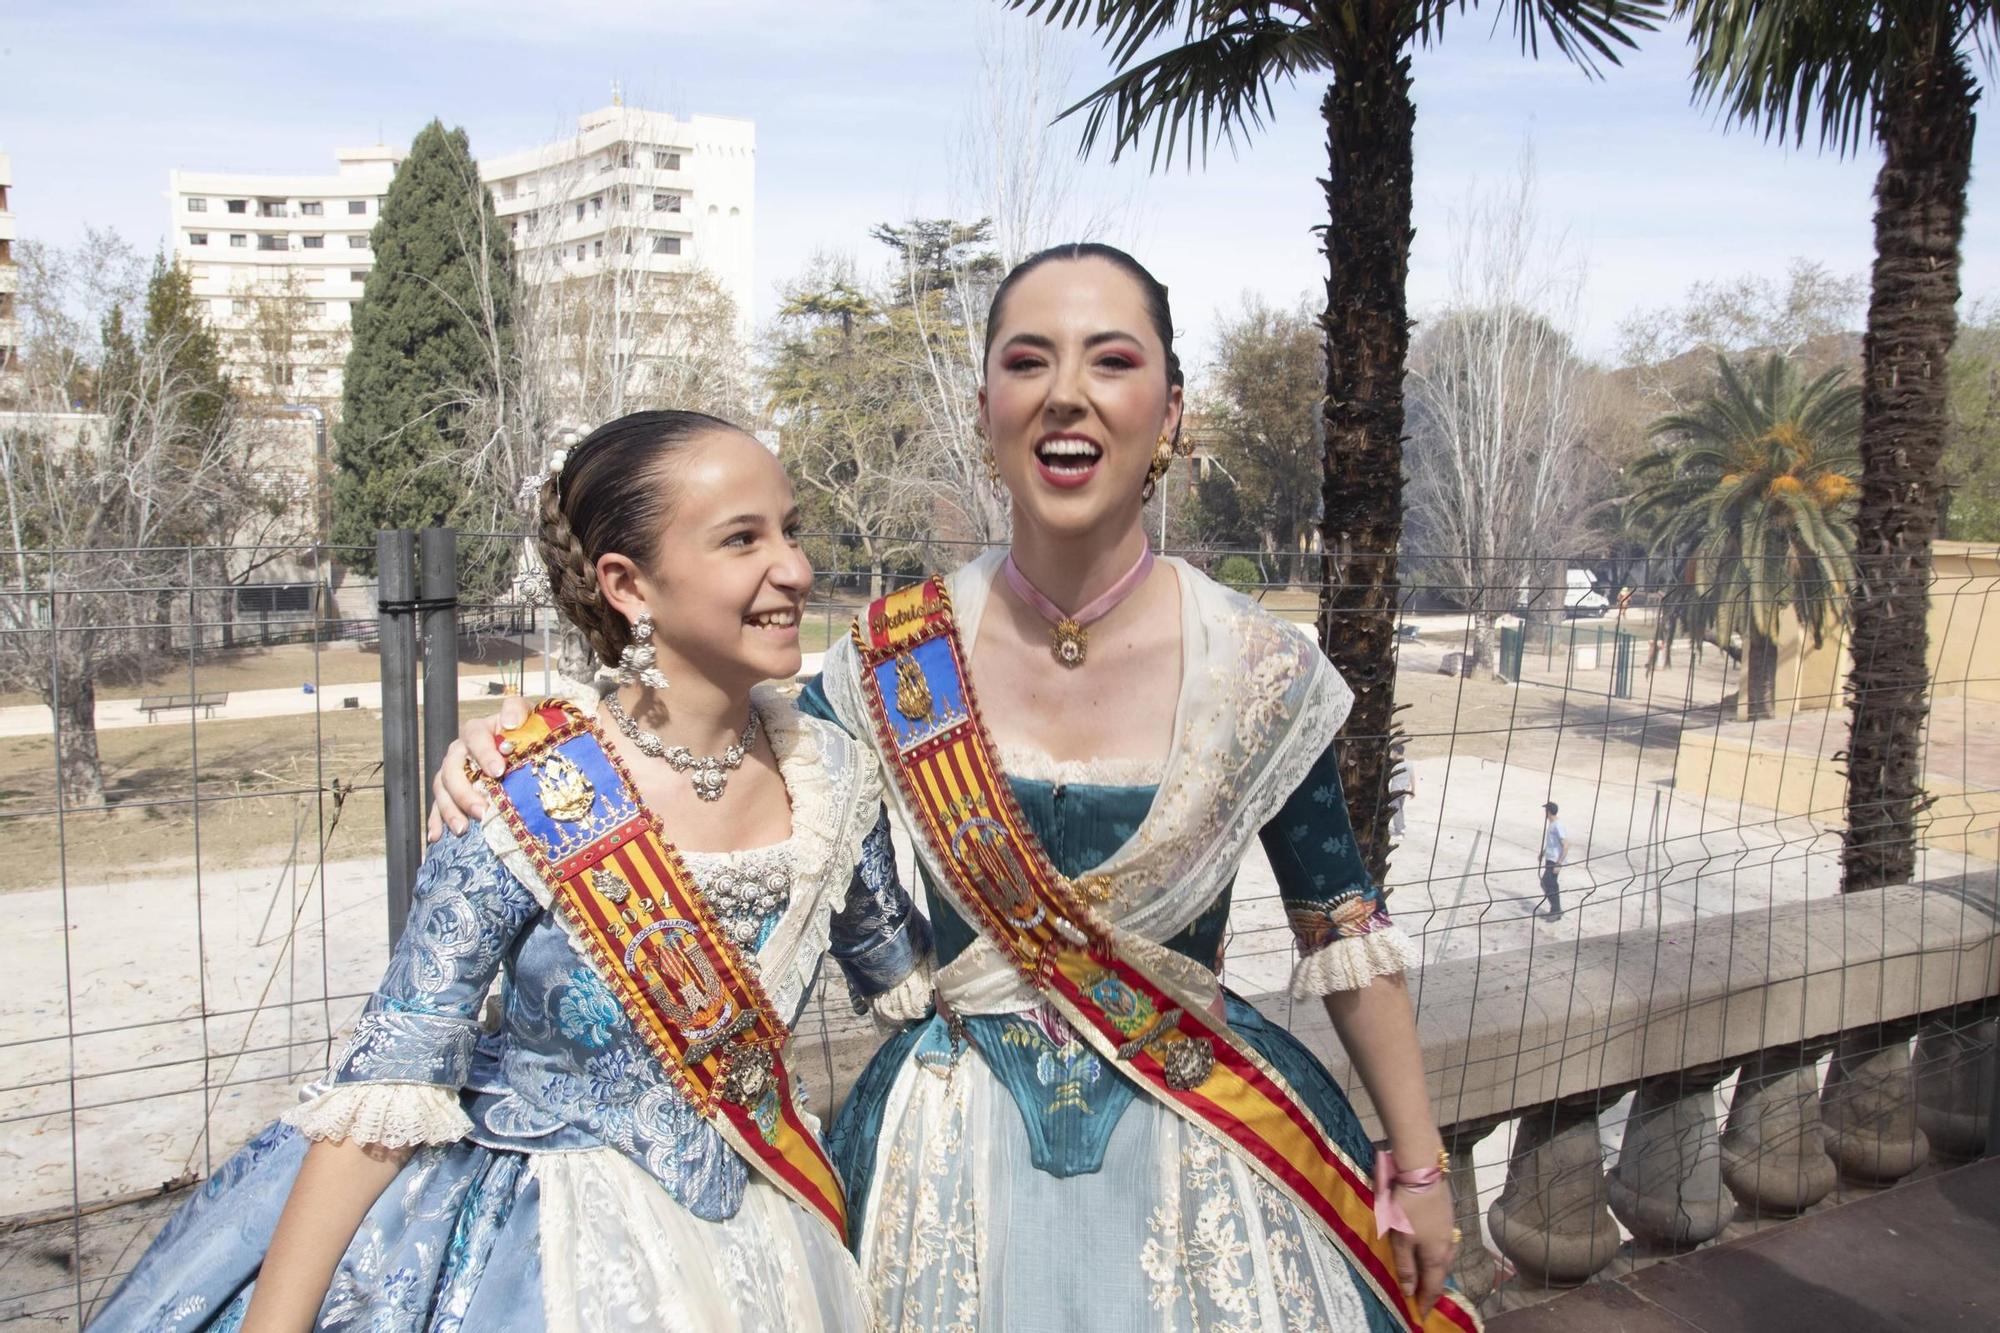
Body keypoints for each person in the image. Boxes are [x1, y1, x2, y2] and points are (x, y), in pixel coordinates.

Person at [436, 246, 1472, 1332]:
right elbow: (690, 757)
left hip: (1210, 1144)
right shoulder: (888, 661)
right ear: (986, 412)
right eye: (1027, 362)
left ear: (1171, 412)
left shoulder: (1260, 668)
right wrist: (525, 749)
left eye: (1109, 361)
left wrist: (1420, 1166)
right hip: (944, 1162)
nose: (1064, 392)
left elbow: (1342, 929)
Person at [91, 411, 930, 1332]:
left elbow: (910, 981)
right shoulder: (521, 788)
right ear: (627, 583)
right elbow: (392, 1079)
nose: (796, 570)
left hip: (772, 1231)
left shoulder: (836, 777)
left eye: (792, 528)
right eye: (743, 539)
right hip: (553, 1253)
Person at [1539, 801, 1567, 921]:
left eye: (1546, 811)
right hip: (1550, 859)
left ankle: (1556, 910)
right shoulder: (1552, 824)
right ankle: (1554, 910)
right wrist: (1543, 852)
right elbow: (1552, 843)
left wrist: (1559, 864)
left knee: (1548, 883)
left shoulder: (1557, 825)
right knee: (1549, 884)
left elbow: (1566, 845)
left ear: (1549, 811)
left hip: (1554, 861)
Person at [1388, 743, 1415, 837]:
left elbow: (1388, 777)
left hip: (1395, 792)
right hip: (1404, 792)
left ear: (1395, 752)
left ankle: (1399, 831)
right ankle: (1402, 827)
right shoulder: (1409, 764)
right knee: (1400, 810)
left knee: (1396, 811)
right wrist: (1413, 791)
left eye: (1392, 752)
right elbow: (1412, 778)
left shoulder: (1395, 765)